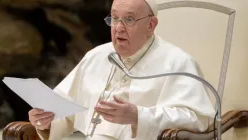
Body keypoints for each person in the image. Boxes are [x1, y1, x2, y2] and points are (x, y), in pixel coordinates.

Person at [28, 0, 216, 139]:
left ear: (151, 25)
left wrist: (138, 116)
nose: (118, 28)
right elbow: (64, 108)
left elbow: (197, 121)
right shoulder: (96, 56)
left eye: (129, 19)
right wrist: (45, 120)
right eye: (114, 18)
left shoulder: (178, 63)